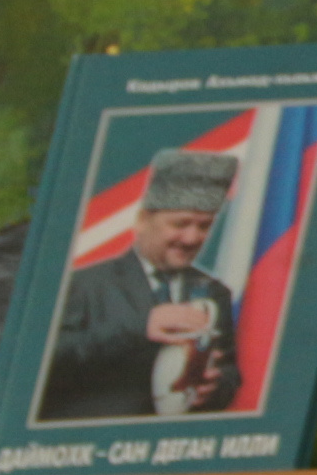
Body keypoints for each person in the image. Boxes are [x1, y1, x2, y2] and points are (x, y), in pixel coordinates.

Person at [38, 147, 242, 421]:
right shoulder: (83, 284)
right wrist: (139, 326)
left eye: (204, 226)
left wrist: (214, 389)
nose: (192, 238)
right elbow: (39, 364)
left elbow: (228, 372)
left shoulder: (215, 292)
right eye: (180, 224)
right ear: (143, 220)